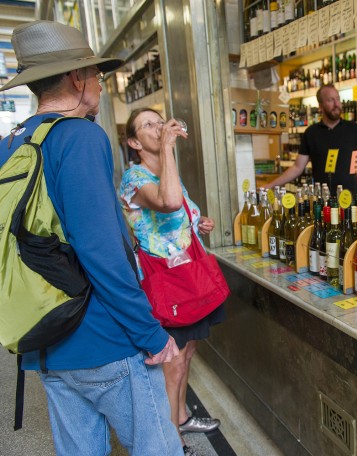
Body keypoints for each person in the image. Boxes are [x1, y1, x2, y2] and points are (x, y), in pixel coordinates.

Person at [0, 21, 183, 456]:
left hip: (44, 340)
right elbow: (102, 252)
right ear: (77, 78)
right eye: (97, 77)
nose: (99, 88)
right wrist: (151, 335)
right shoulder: (80, 137)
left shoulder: (11, 143)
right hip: (102, 338)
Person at [119, 108, 225, 453]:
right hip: (162, 283)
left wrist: (199, 221)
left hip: (186, 278)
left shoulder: (167, 170)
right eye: (149, 125)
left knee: (189, 351)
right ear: (134, 142)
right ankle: (169, 439)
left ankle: (180, 416)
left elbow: (181, 213)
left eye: (160, 120)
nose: (159, 126)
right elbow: (168, 201)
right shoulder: (134, 180)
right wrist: (167, 146)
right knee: (173, 360)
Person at [265, 84, 357, 194]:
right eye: (330, 100)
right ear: (321, 106)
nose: (336, 104)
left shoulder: (353, 128)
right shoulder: (311, 133)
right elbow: (297, 168)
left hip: (350, 201)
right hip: (323, 203)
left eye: (338, 99)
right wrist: (271, 185)